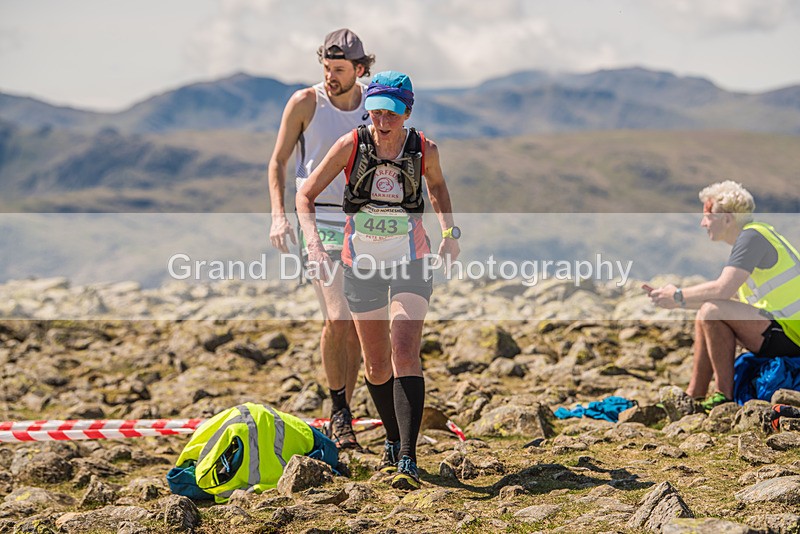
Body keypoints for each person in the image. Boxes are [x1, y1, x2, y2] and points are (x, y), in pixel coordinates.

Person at [296, 70, 460, 490]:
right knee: (375, 362)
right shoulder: (352, 144)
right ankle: (390, 435)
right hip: (360, 263)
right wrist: (314, 244)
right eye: (375, 111)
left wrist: (448, 234)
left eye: (391, 111)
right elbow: (305, 194)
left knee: (404, 349)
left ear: (406, 110)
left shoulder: (424, 148)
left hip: (412, 259)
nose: (382, 120)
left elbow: (438, 187)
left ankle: (407, 453)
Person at [268, 29, 376, 449]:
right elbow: (278, 162)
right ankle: (340, 413)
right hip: (319, 219)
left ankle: (344, 412)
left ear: (361, 69)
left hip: (367, 222)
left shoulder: (375, 103)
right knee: (338, 317)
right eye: (326, 69)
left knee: (358, 326)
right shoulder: (305, 103)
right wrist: (280, 216)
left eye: (339, 70)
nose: (330, 77)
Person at [649, 181, 800, 411]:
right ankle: (695, 395)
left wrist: (678, 295)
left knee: (711, 310)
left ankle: (723, 397)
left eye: (708, 216)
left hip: (792, 334)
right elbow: (732, 302)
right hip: (784, 329)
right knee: (705, 313)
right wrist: (675, 301)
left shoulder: (752, 237)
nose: (703, 223)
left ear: (727, 218)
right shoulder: (755, 236)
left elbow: (722, 290)